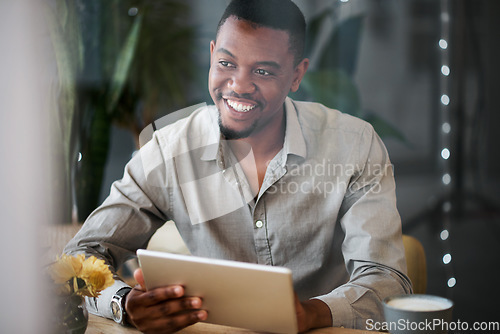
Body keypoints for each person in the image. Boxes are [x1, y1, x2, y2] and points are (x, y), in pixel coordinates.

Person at [65, 0, 412, 332]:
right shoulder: (169, 150)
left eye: (263, 71)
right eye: (227, 63)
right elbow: (77, 260)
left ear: (296, 76)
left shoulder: (354, 144)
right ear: (213, 54)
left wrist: (310, 314)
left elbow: (388, 284)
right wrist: (122, 303)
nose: (239, 86)